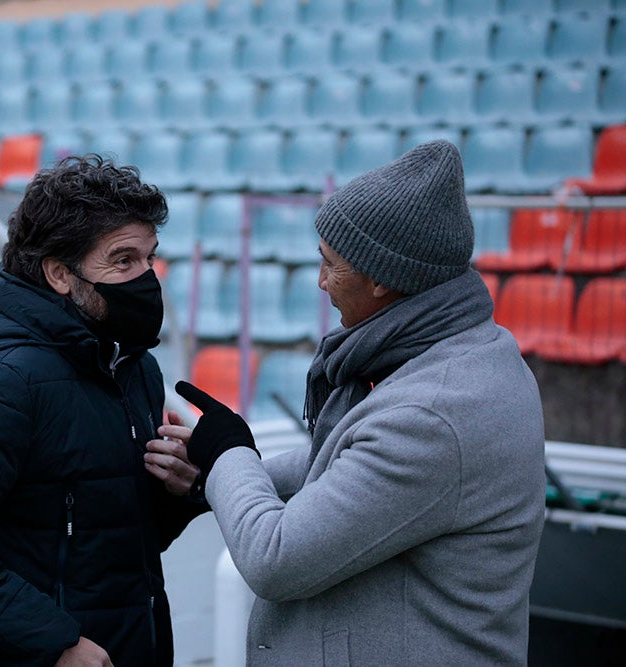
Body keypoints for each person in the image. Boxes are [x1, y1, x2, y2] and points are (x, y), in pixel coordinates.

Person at [169, 141, 547, 665]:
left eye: (331, 264)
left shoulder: (434, 414)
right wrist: (209, 474)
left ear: (382, 277)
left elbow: (275, 559)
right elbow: (354, 465)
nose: (321, 282)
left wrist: (228, 454)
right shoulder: (472, 353)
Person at [0, 155, 205, 666]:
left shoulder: (132, 365)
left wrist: (178, 491)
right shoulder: (7, 380)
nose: (146, 277)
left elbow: (107, 542)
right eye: (123, 260)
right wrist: (52, 642)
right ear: (58, 273)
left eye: (149, 258)